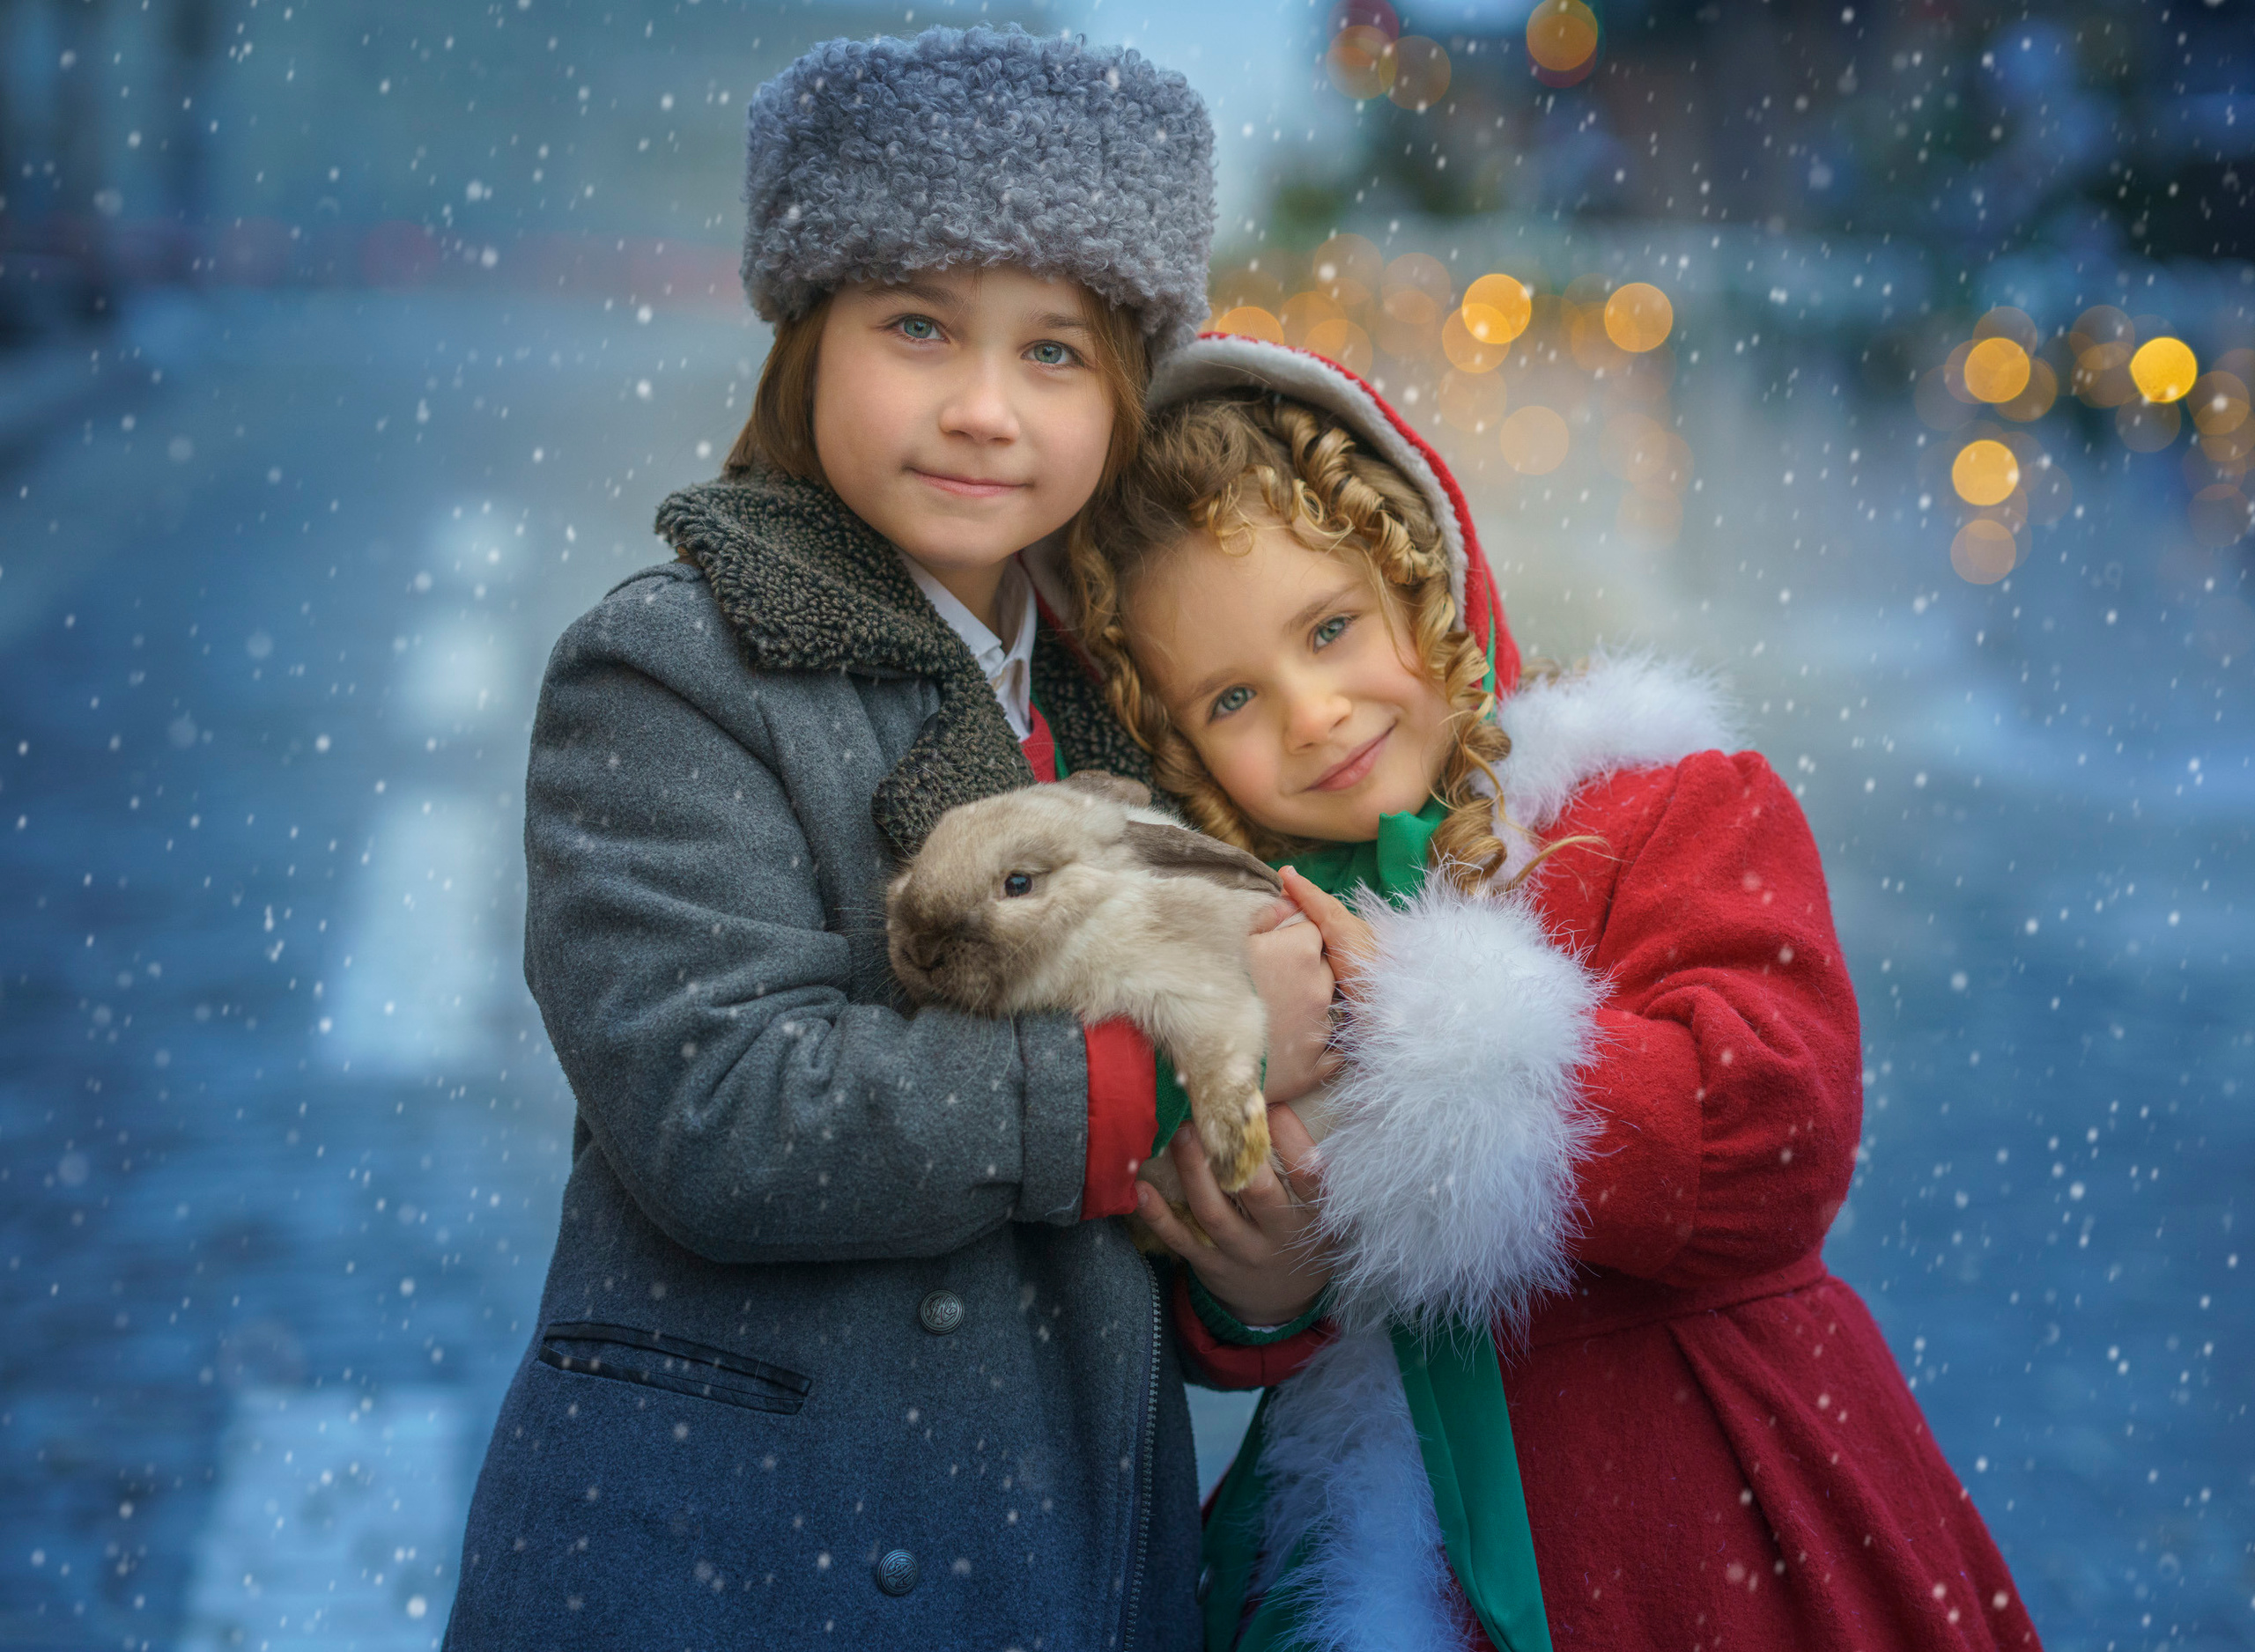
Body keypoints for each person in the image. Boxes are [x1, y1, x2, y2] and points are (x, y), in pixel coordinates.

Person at [441, 31, 1335, 1647]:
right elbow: (718, 1105)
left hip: (1053, 1556)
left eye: (1056, 352)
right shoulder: (676, 669)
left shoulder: (1129, 701)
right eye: (918, 327)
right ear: (808, 338)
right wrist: (1141, 1081)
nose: (984, 409)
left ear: (1128, 387)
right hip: (734, 1555)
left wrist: (1254, 1266)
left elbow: (1181, 1223)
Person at [1085, 332, 2043, 1651]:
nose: (1312, 713)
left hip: (1704, 1506)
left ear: (1423, 579)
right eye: (1235, 696)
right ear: (1183, 753)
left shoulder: (1656, 809)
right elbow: (1215, 1292)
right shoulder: (1257, 954)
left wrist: (1441, 1042)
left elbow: (1777, 1134)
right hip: (1377, 1541)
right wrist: (1269, 1286)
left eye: (1332, 627)